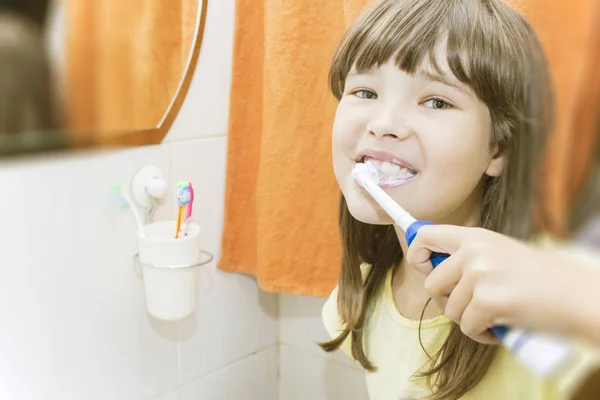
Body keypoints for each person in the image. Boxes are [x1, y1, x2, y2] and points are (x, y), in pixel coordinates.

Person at [318, 0, 597, 398]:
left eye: (436, 101)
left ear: (497, 150)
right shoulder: (358, 302)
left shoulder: (556, 289)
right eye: (365, 91)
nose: (383, 125)